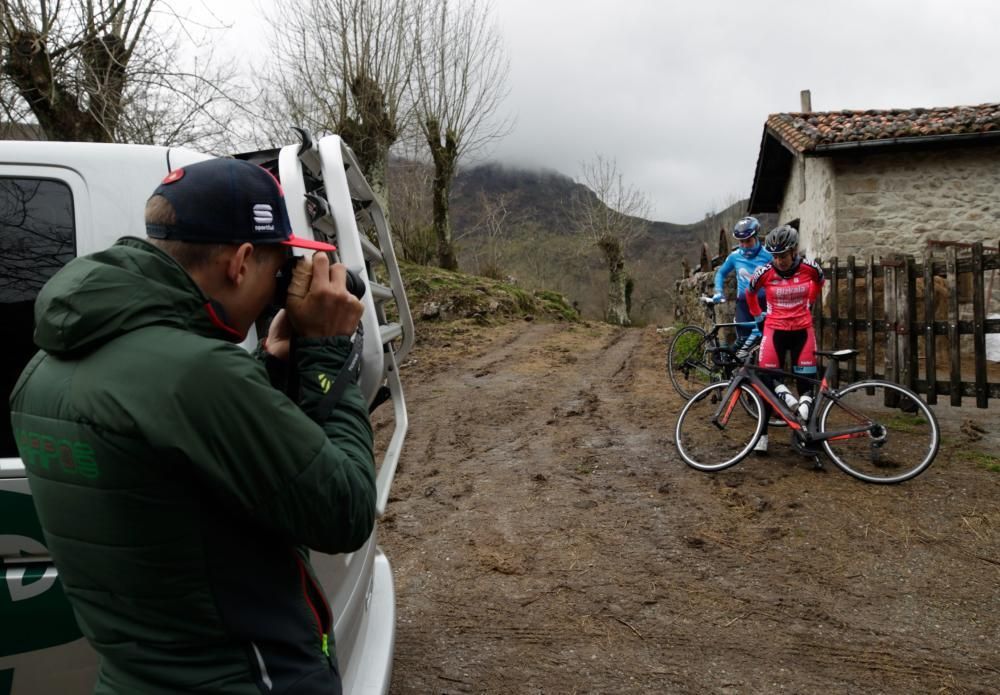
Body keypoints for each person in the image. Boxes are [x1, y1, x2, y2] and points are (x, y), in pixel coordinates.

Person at [9, 158, 376, 694]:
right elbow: (345, 510)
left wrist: (269, 366)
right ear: (242, 261)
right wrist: (324, 353)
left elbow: (178, 470)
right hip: (247, 677)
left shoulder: (42, 370)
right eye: (277, 270)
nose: (278, 287)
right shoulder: (198, 374)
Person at [746, 224, 824, 454]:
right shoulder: (764, 272)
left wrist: (809, 302)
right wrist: (758, 317)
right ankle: (762, 434)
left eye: (783, 255)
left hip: (802, 331)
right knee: (766, 384)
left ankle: (805, 434)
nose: (779, 261)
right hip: (775, 330)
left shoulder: (810, 268)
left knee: (806, 385)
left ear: (794, 251)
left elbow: (819, 282)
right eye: (775, 256)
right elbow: (751, 294)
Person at [711, 216, 772, 355]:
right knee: (744, 346)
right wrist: (719, 291)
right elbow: (720, 274)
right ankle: (738, 372)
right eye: (741, 241)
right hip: (744, 305)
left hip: (765, 303)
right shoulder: (734, 256)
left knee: (766, 344)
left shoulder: (768, 255)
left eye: (748, 241)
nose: (744, 245)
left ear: (756, 237)